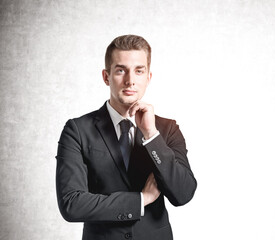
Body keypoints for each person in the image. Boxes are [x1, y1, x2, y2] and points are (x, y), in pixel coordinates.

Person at [56, 34, 197, 240]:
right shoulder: (77, 130)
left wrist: (151, 135)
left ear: (148, 77)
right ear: (106, 76)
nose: (130, 81)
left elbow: (183, 193)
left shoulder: (167, 129)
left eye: (139, 71)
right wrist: (141, 199)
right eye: (121, 70)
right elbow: (72, 204)